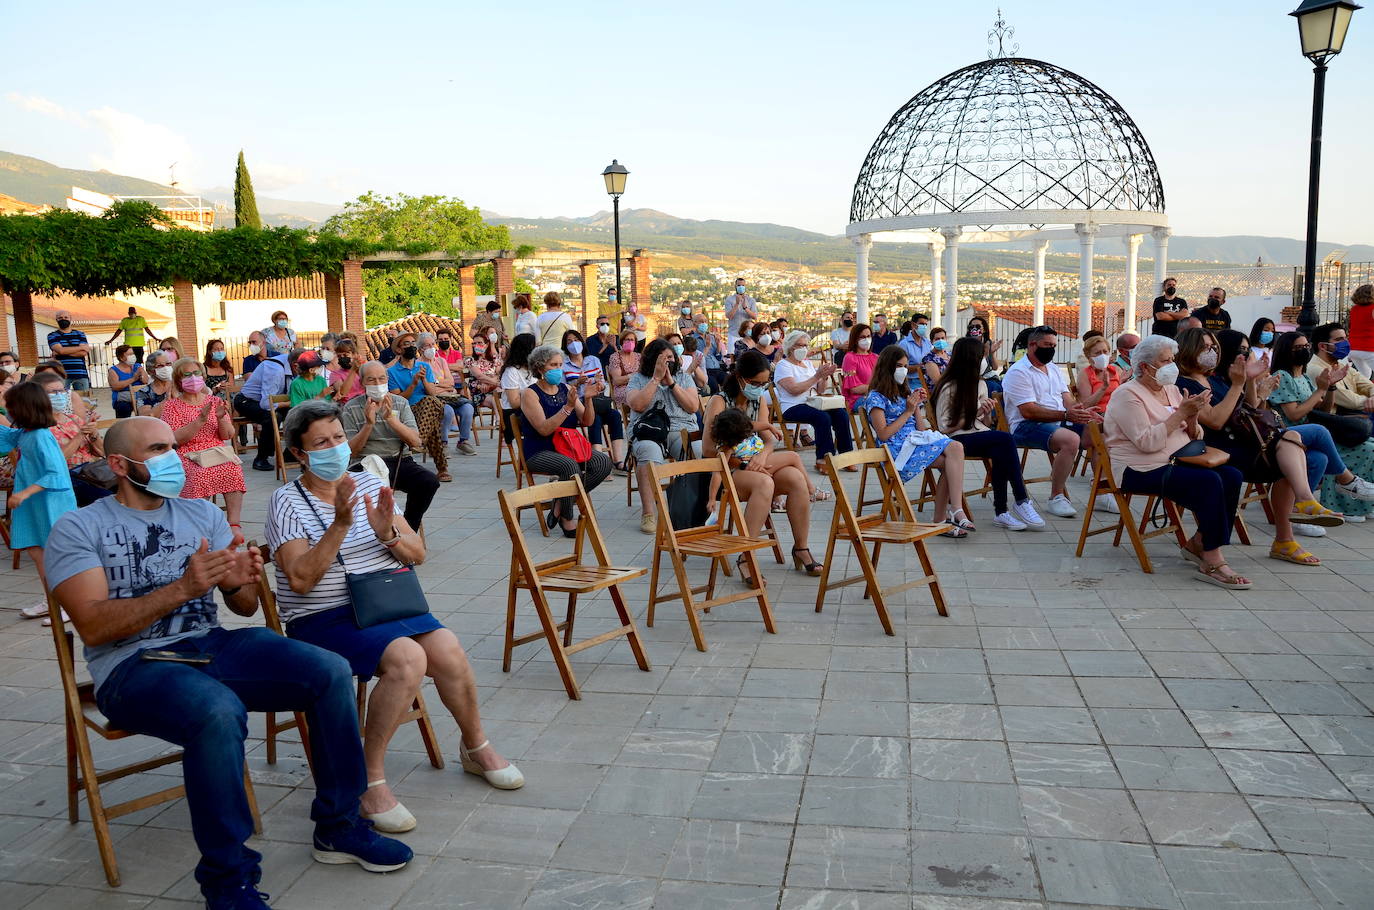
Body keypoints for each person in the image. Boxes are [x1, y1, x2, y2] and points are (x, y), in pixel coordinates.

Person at [46, 416, 412, 907]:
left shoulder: (203, 515)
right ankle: (227, 878)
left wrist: (240, 580)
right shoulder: (80, 525)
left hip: (211, 644)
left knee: (327, 670)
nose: (175, 457)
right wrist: (184, 587)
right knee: (217, 711)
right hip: (133, 666)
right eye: (158, 449)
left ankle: (339, 825)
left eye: (174, 447)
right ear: (119, 464)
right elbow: (92, 627)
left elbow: (243, 609)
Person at [268, 401, 523, 836]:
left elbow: (417, 553)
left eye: (337, 438)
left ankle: (475, 746)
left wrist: (386, 531)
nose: (335, 448)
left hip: (386, 605)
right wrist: (342, 525)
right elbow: (301, 580)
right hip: (324, 618)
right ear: (299, 454)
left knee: (448, 649)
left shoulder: (368, 481)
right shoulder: (287, 502)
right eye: (321, 443)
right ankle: (369, 778)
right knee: (408, 658)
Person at [1176, 328, 1346, 565]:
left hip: (1245, 443)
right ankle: (1313, 500)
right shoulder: (1183, 384)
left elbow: (1248, 409)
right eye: (1205, 347)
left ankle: (1290, 530)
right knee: (1297, 440)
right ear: (1188, 350)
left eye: (1214, 347)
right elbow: (1215, 420)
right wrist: (1239, 384)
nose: (1212, 351)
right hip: (1219, 449)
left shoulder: (1213, 379)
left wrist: (1251, 380)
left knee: (1314, 458)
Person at [1105, 334, 1251, 589]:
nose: (1172, 365)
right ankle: (1211, 559)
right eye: (1165, 361)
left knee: (1231, 476)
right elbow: (1147, 443)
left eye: (1172, 359)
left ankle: (1200, 542)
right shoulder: (1126, 395)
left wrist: (1192, 417)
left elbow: (1195, 436)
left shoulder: (1171, 390)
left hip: (1180, 458)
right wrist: (1181, 413)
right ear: (1144, 367)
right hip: (1139, 467)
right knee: (1208, 482)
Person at [703, 352, 822, 573]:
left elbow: (768, 440)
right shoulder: (719, 401)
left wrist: (761, 457)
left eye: (764, 383)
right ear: (739, 377)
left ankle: (801, 548)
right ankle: (746, 556)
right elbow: (709, 450)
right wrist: (743, 461)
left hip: (756, 462)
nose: (759, 387)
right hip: (728, 467)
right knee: (764, 483)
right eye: (755, 383)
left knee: (795, 478)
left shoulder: (758, 400)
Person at [934, 337, 1046, 531]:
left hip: (978, 433)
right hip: (956, 439)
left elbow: (984, 424)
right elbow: (944, 427)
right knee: (1004, 440)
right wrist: (975, 413)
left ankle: (1002, 511)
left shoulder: (981, 384)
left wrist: (986, 412)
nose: (984, 360)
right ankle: (1020, 499)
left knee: (1001, 448)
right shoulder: (949, 386)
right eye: (981, 356)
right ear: (970, 358)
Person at [861, 345, 971, 537]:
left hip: (915, 442)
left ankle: (954, 509)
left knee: (956, 448)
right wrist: (908, 411)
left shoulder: (903, 391)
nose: (903, 370)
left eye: (905, 365)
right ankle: (946, 515)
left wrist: (917, 407)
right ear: (887, 367)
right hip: (895, 450)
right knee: (951, 458)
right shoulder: (876, 397)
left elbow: (920, 430)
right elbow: (884, 434)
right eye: (898, 366)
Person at [1270, 331, 1374, 521]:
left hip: (1307, 436)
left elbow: (1322, 410)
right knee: (1319, 431)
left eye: (1306, 346)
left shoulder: (1304, 377)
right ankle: (1347, 480)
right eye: (1298, 348)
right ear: (1287, 351)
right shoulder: (1282, 375)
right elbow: (1294, 414)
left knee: (1319, 458)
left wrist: (1329, 388)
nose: (1304, 350)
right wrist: (1319, 390)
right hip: (1286, 434)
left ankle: (1301, 511)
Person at [517, 345, 613, 536]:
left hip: (569, 448)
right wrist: (567, 408)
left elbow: (587, 421)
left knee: (603, 462)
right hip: (539, 450)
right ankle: (567, 518)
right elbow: (544, 429)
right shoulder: (530, 393)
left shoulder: (566, 388)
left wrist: (588, 400)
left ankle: (560, 501)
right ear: (540, 367)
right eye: (553, 365)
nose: (558, 369)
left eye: (560, 365)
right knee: (570, 467)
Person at [2, 382, 79, 620]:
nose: (7, 411)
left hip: (50, 502)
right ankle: (52, 599)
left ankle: (68, 603)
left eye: (10, 406)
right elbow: (8, 436)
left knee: (53, 554)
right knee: (37, 552)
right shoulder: (26, 434)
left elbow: (55, 472)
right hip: (36, 502)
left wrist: (24, 494)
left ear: (23, 409)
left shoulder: (40, 437)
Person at [1002, 326, 1098, 517]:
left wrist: (1082, 413)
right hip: (1025, 426)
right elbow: (1028, 411)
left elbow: (1067, 399)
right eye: (1047, 345)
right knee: (1070, 440)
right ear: (1032, 345)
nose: (1051, 349)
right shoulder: (1019, 372)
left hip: (1057, 419)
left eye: (1053, 345)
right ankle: (1056, 496)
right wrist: (1065, 416)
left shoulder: (1052, 368)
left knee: (1099, 430)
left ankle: (1101, 488)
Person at [339, 362, 440, 530]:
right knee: (364, 489)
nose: (377, 384)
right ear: (363, 382)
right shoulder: (352, 407)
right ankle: (371, 531)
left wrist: (391, 419)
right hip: (365, 462)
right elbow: (352, 451)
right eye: (371, 380)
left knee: (428, 482)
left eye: (381, 379)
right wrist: (368, 424)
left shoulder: (400, 403)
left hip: (399, 459)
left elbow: (416, 442)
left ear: (387, 379)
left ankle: (408, 528)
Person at [153, 357, 246, 533]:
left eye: (196, 373)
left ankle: (234, 524)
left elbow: (227, 435)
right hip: (188, 452)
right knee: (199, 474)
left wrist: (220, 418)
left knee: (233, 469)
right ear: (179, 380)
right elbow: (175, 440)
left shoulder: (214, 401)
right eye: (187, 375)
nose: (193, 377)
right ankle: (202, 525)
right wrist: (200, 420)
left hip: (216, 449)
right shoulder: (173, 406)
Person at [627, 338, 701, 534]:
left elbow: (693, 406)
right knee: (648, 454)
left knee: (698, 452)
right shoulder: (637, 379)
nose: (668, 362)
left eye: (671, 357)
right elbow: (637, 405)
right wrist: (656, 380)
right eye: (663, 358)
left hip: (680, 429)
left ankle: (697, 506)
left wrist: (672, 384)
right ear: (653, 360)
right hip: (649, 430)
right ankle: (649, 513)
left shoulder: (684, 378)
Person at [775, 330, 853, 471]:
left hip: (812, 402)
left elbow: (821, 390)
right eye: (800, 345)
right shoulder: (783, 365)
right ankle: (824, 458)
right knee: (822, 418)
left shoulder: (808, 364)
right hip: (792, 406)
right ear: (790, 347)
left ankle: (846, 455)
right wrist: (817, 376)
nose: (804, 349)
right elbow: (794, 390)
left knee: (841, 414)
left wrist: (824, 377)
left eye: (806, 345)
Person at [386, 333, 451, 482]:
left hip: (428, 407)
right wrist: (414, 383)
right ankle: (442, 468)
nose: (411, 346)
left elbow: (433, 392)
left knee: (430, 401)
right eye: (406, 344)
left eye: (413, 343)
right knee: (433, 423)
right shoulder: (391, 372)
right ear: (399, 350)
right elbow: (399, 399)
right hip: (408, 409)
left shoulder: (424, 367)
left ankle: (418, 440)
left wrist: (423, 379)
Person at [563, 328, 627, 472]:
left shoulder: (593, 360)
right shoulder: (564, 365)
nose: (574, 343)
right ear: (565, 345)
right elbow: (563, 388)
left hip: (597, 401)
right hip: (579, 404)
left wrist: (599, 384)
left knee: (615, 416)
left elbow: (603, 384)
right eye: (569, 341)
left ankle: (618, 460)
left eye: (576, 340)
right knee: (595, 419)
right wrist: (577, 383)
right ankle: (598, 462)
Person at [417, 332, 477, 456]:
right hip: (432, 398)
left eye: (433, 344)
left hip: (450, 396)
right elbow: (427, 387)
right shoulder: (418, 364)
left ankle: (463, 442)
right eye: (427, 345)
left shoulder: (441, 361)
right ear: (421, 349)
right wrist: (441, 385)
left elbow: (451, 382)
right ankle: (442, 443)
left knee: (468, 408)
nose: (431, 347)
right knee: (447, 411)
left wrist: (436, 383)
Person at [234, 350, 291, 472]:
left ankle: (289, 453)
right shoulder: (275, 369)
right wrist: (286, 404)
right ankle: (260, 459)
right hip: (246, 401)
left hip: (265, 401)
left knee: (297, 413)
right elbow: (266, 404)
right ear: (296, 364)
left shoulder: (291, 364)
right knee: (272, 416)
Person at [1311, 322, 1374, 421]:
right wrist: (1370, 401)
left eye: (1345, 338)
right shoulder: (1316, 369)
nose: (1346, 343)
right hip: (1338, 419)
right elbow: (1351, 402)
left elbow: (1369, 385)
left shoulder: (1340, 366)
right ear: (1323, 346)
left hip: (1356, 414)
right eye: (1339, 340)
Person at [1076, 334, 1123, 415]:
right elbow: (1085, 405)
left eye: (1105, 352)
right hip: (1100, 414)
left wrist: (1126, 383)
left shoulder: (1117, 370)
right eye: (1097, 353)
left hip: (1119, 411)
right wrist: (1103, 388)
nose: (1102, 356)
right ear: (1089, 357)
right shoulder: (1084, 374)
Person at [47, 309, 91, 391]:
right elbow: (60, 350)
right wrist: (81, 347)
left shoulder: (80, 334)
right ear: (56, 320)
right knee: (61, 400)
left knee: (84, 401)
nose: (63, 319)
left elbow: (83, 353)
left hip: (80, 373)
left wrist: (61, 352)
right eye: (60, 318)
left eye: (66, 317)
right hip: (60, 374)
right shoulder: (52, 335)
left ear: (70, 318)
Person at [840, 322, 879, 411]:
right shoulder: (849, 358)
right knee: (879, 404)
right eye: (862, 337)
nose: (867, 339)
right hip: (857, 399)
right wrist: (878, 387)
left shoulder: (876, 357)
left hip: (876, 395)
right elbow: (854, 389)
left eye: (869, 336)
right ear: (855, 339)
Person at [499, 334, 536, 420]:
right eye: (535, 348)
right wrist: (537, 398)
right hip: (514, 414)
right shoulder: (511, 371)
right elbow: (514, 402)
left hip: (532, 409)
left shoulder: (534, 369)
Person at [108, 343, 148, 419]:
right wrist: (133, 379)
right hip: (123, 399)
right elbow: (115, 386)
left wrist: (142, 372)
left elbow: (146, 381)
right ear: (121, 357)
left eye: (132, 353)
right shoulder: (113, 370)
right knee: (123, 408)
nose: (132, 356)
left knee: (147, 408)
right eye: (129, 354)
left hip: (139, 397)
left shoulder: (137, 366)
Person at [689, 311, 726, 392]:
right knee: (714, 387)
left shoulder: (711, 337)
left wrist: (718, 344)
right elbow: (697, 360)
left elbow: (718, 357)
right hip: (706, 370)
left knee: (730, 383)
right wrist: (707, 347)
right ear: (695, 324)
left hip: (717, 368)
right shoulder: (692, 339)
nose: (704, 323)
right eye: (701, 321)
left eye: (705, 321)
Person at [966, 315, 1003, 394]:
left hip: (988, 377)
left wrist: (992, 353)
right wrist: (985, 354)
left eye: (978, 326)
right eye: (971, 327)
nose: (974, 329)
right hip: (973, 378)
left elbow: (995, 367)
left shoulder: (987, 343)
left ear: (984, 330)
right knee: (992, 387)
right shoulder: (965, 344)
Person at [464, 332, 502, 408]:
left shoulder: (494, 358)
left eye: (480, 342)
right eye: (474, 343)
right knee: (497, 401)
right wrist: (496, 383)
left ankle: (500, 419)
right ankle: (499, 419)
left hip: (494, 388)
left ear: (486, 344)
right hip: (479, 392)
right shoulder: (470, 360)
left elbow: (499, 373)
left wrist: (490, 384)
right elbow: (479, 376)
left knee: (504, 399)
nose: (476, 345)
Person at [608, 328, 642, 412]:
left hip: (639, 387)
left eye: (632, 340)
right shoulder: (616, 357)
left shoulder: (639, 357)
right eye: (627, 340)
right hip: (622, 390)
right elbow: (617, 381)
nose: (630, 342)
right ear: (622, 341)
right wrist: (634, 376)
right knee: (638, 396)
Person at [897, 314, 933, 390]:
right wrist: (921, 366)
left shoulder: (927, 343)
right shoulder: (904, 344)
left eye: (925, 324)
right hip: (912, 383)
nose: (924, 327)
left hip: (927, 381)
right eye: (921, 324)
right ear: (913, 325)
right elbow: (901, 368)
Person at [138, 350, 176, 415]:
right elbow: (145, 416)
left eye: (168, 364)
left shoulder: (179, 386)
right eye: (160, 365)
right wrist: (166, 401)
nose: (166, 368)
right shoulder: (145, 391)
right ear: (151, 370)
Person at [1349, 284, 1374, 379]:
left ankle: (1363, 393)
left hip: (1354, 348)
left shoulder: (1354, 309)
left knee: (1365, 376)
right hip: (1369, 348)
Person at [725, 278, 759, 345]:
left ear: (745, 286)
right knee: (733, 354)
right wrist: (736, 304)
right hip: (734, 334)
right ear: (735, 286)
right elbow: (729, 316)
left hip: (748, 335)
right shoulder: (729, 299)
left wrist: (745, 308)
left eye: (743, 285)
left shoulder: (751, 300)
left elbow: (755, 316)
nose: (741, 287)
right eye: (739, 285)